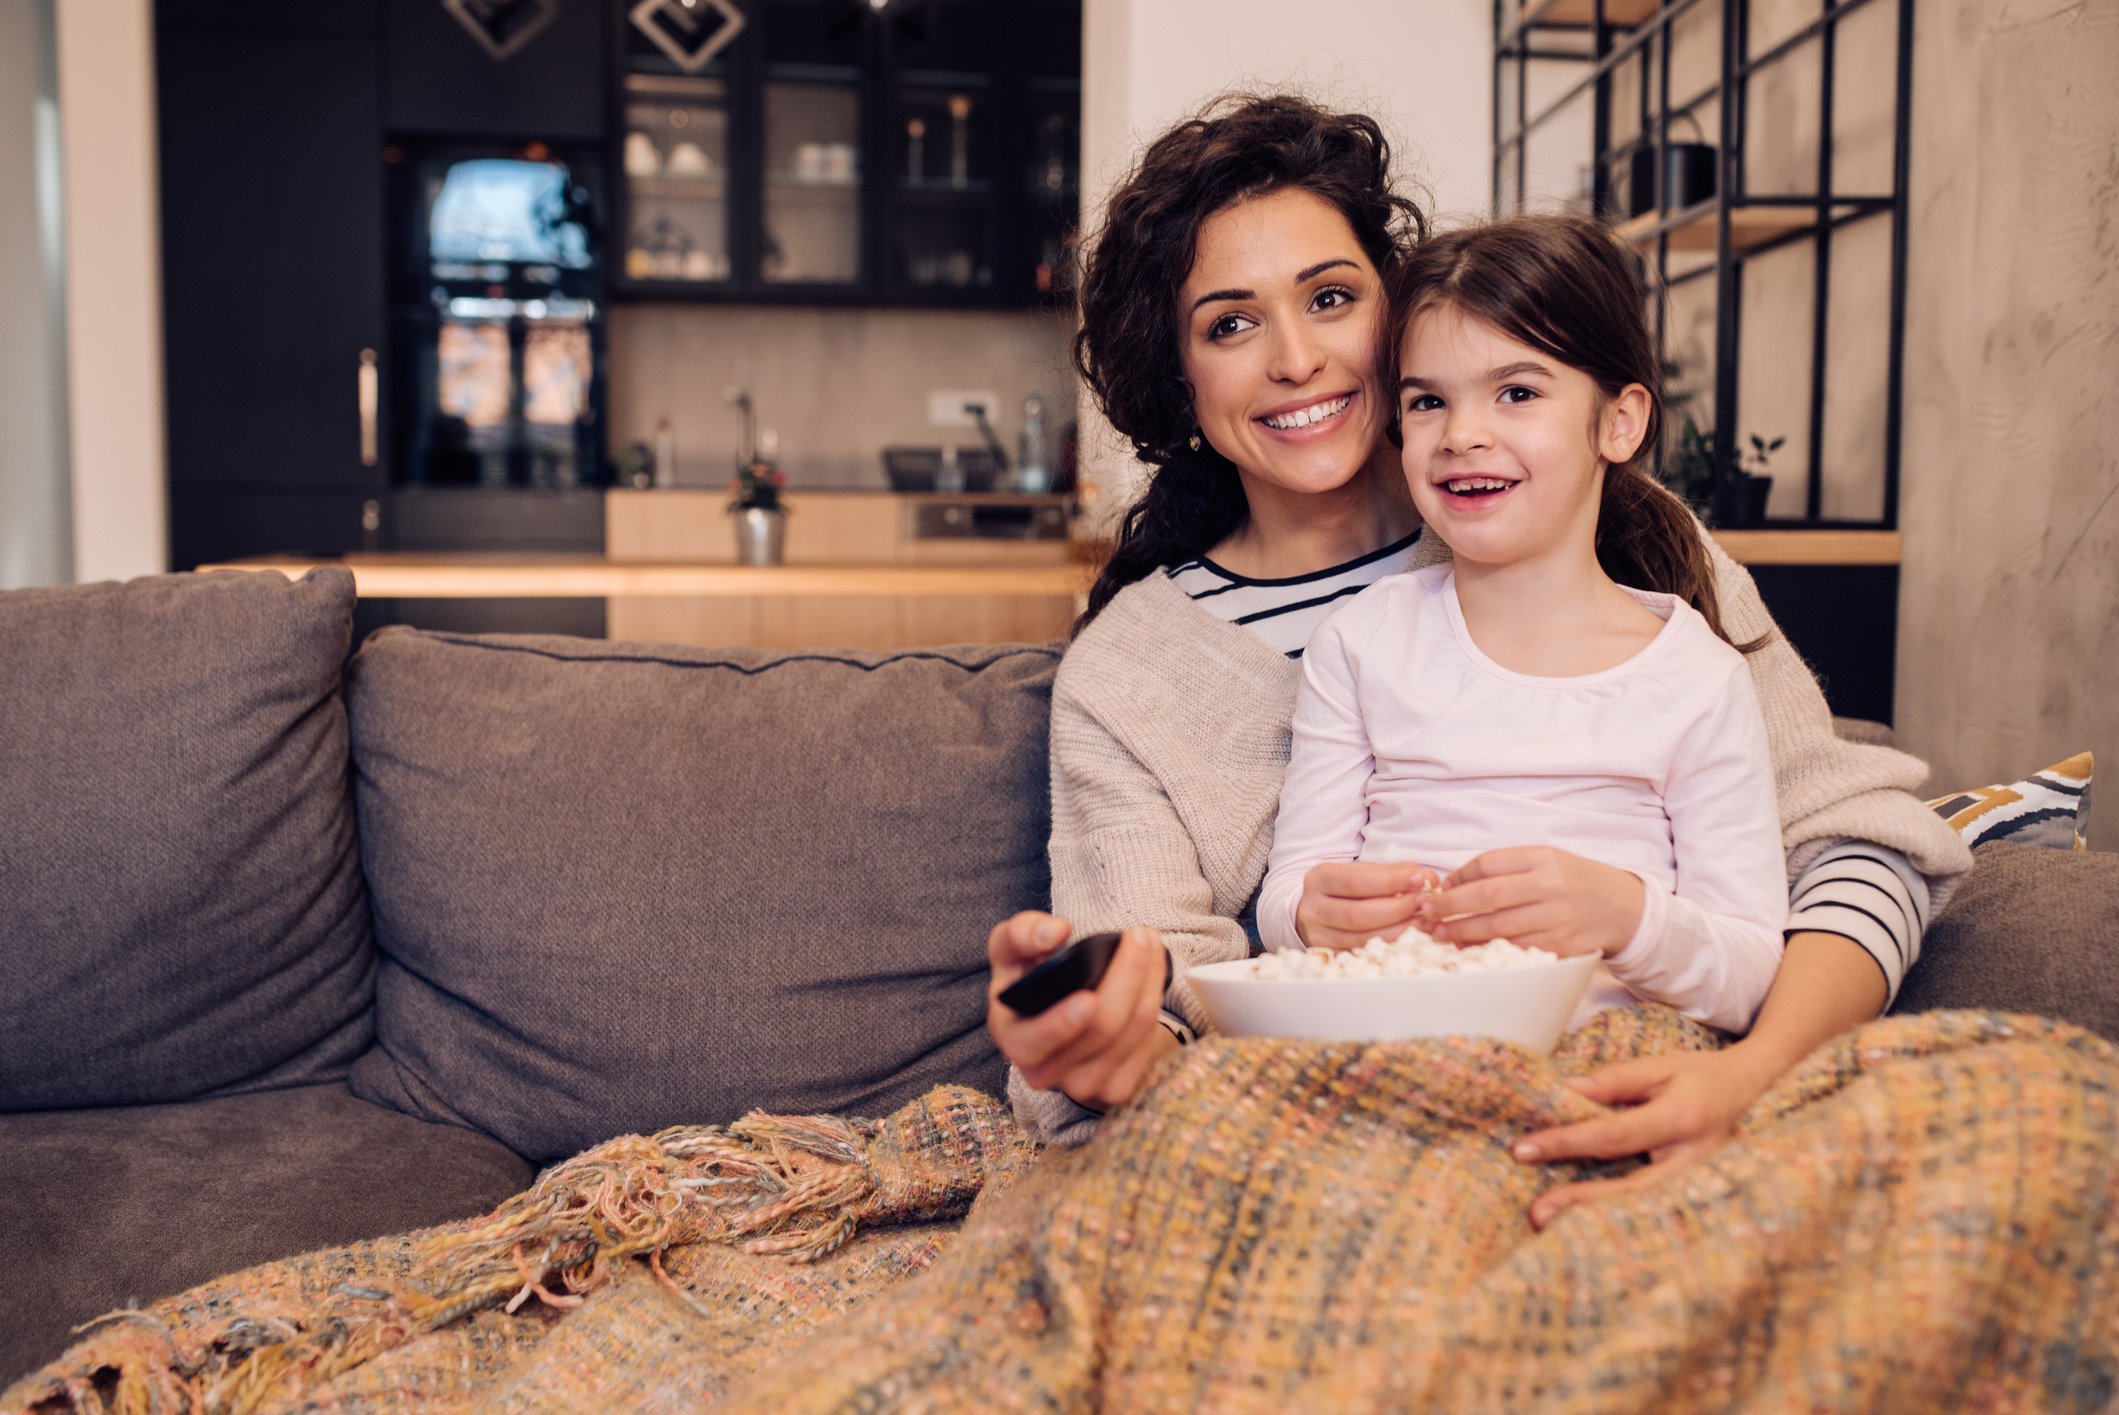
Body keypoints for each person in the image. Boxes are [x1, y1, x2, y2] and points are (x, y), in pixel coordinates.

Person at [985, 93, 1971, 1226]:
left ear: (1397, 314)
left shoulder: (1626, 546)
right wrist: (1103, 1035)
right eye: (1229, 323)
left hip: (1667, 1074)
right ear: (1179, 378)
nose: (1297, 358)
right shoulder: (1130, 677)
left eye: (1330, 298)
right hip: (1341, 1128)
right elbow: (1163, 990)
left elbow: (1856, 846)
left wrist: (1744, 1080)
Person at [1257, 213, 1791, 1040]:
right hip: (1388, 1041)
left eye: (1516, 392)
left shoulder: (1695, 677)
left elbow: (1749, 971)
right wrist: (1305, 912)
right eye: (1427, 401)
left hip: (1609, 1046)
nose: (1462, 435)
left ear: (1619, 421)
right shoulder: (1361, 642)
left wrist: (1626, 914)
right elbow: (1290, 894)